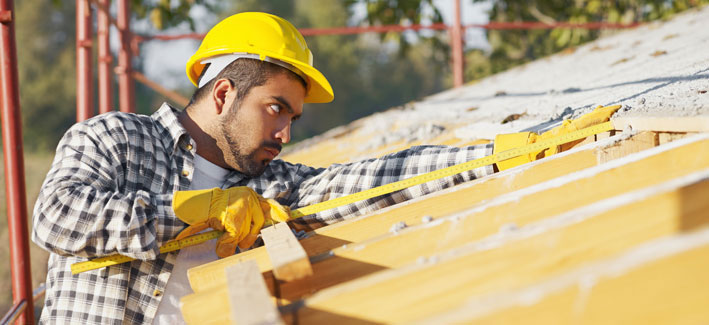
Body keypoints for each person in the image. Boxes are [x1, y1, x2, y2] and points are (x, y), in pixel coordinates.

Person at [31, 12, 619, 324]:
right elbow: (55, 221)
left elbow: (381, 177)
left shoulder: (269, 187)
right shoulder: (115, 139)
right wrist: (187, 211)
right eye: (276, 109)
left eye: (294, 118)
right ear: (223, 95)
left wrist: (509, 150)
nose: (285, 134)